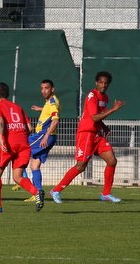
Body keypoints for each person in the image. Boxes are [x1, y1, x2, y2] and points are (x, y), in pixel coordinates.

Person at [50, 71, 125, 203]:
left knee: (112, 161)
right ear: (96, 83)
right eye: (101, 82)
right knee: (80, 166)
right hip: (86, 134)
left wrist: (104, 127)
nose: (103, 85)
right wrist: (113, 109)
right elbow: (94, 117)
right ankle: (56, 190)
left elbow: (98, 117)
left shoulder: (105, 98)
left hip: (97, 135)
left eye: (106, 83)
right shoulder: (92, 96)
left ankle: (106, 194)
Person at [0, 82, 45, 213]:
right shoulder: (18, 107)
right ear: (8, 94)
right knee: (17, 177)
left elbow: (0, 121)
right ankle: (37, 192)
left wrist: (2, 139)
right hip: (23, 144)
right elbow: (30, 128)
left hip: (9, 143)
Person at [22, 79, 60, 202]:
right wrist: (40, 109)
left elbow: (55, 120)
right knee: (34, 165)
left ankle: (20, 179)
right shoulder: (49, 102)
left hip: (43, 135)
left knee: (20, 149)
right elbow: (49, 112)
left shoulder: (53, 102)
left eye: (46, 88)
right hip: (46, 136)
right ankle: (37, 193)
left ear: (52, 89)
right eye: (42, 88)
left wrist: (45, 136)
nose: (44, 91)